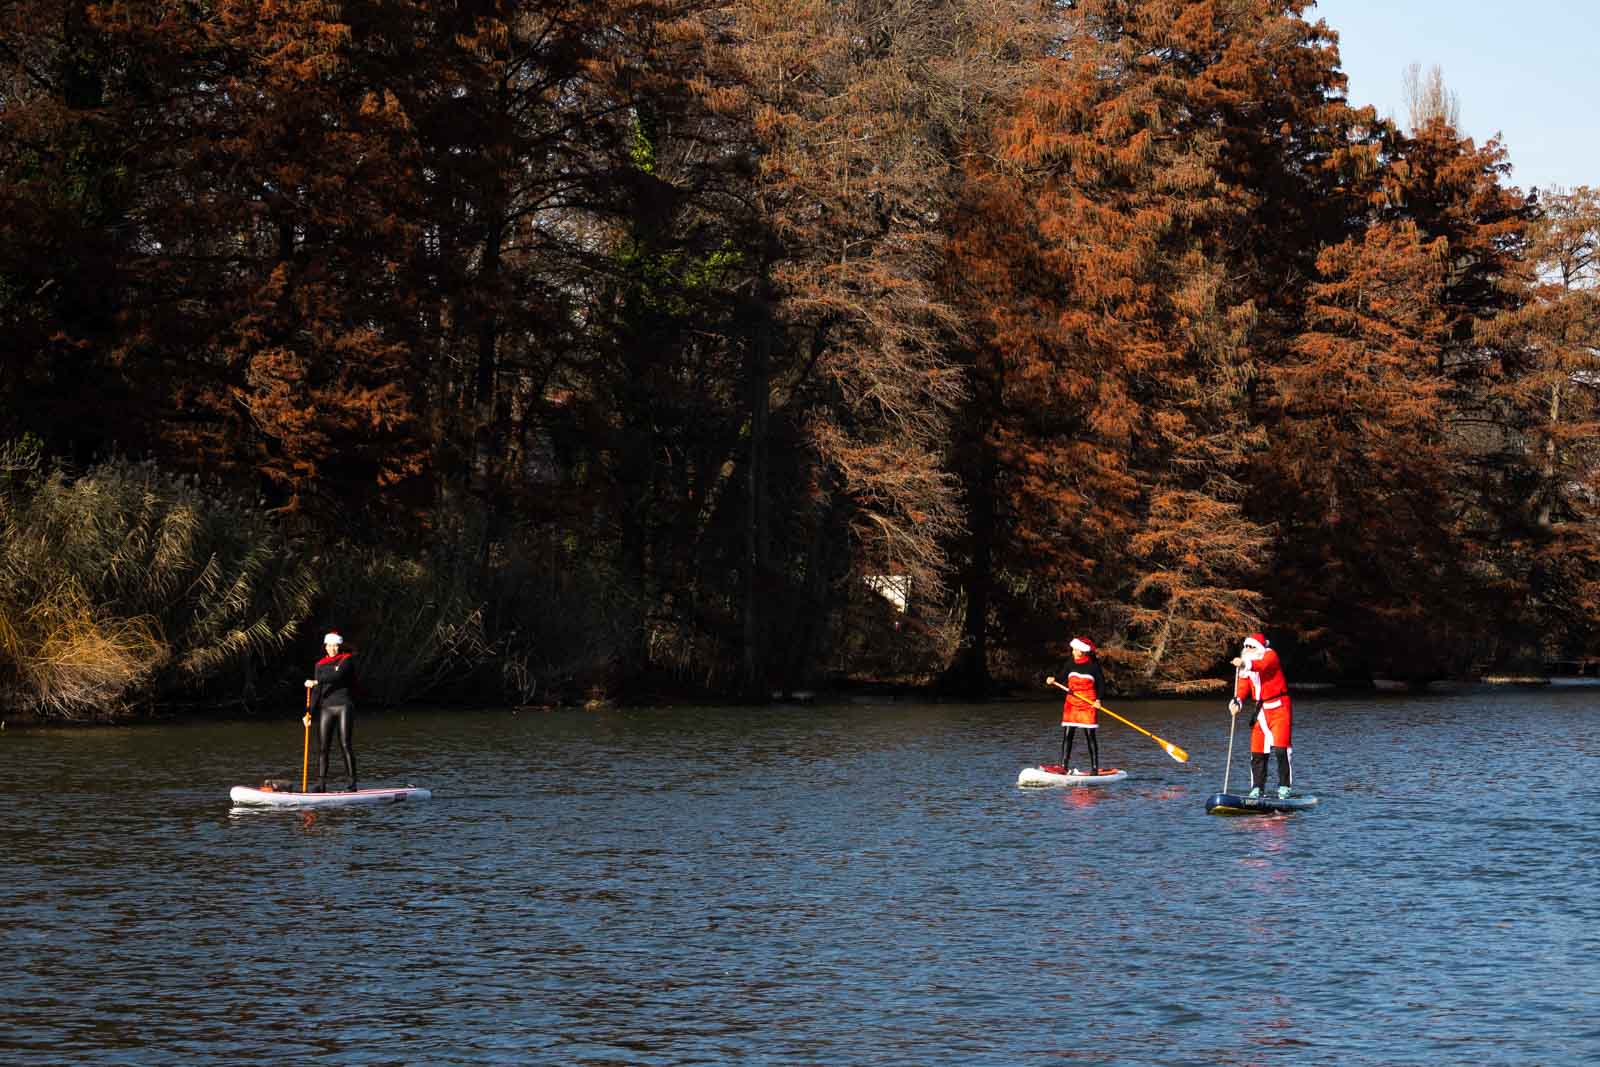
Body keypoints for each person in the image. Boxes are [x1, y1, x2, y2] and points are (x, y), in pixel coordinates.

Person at [1230, 632, 1292, 799]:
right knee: (1257, 752)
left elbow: (1261, 665)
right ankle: (1257, 788)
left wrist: (1244, 663)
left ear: (1259, 647)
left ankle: (1284, 787)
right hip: (1261, 712)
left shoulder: (1270, 655)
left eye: (1251, 646)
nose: (1247, 649)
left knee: (1281, 749)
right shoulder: (1246, 666)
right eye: (1245, 646)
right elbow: (1243, 687)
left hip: (1279, 709)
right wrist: (1237, 701)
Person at [305, 631, 357, 792]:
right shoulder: (319, 664)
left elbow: (337, 676)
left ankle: (352, 783)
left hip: (344, 706)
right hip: (326, 707)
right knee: (323, 747)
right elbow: (317, 691)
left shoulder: (346, 660)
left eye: (335, 646)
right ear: (326, 647)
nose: (333, 648)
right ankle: (321, 785)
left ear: (339, 646)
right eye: (330, 646)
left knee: (345, 744)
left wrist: (316, 681)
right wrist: (309, 713)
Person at [1050, 636, 1104, 774]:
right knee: (1068, 734)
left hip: (1088, 702)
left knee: (1089, 735)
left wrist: (1098, 700)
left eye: (1075, 649)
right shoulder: (1070, 663)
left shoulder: (1093, 665)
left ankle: (1094, 769)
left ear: (1081, 651)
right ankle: (1063, 766)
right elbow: (1062, 677)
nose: (1073, 651)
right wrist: (1053, 679)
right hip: (1072, 702)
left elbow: (1101, 684)